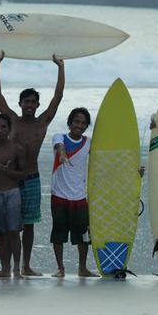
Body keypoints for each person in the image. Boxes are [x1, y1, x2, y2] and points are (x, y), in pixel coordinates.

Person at [0, 51, 65, 276]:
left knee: (29, 224)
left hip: (32, 178)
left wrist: (60, 67)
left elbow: (58, 97)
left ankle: (25, 265)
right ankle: (6, 267)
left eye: (33, 102)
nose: (30, 105)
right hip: (10, 179)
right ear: (20, 103)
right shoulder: (12, 121)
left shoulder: (43, 121)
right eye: (26, 102)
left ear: (37, 105)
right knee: (8, 226)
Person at [50, 108, 98, 278]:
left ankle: (82, 268)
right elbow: (60, 146)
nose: (79, 125)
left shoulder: (89, 143)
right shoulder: (59, 136)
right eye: (76, 121)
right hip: (59, 195)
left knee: (83, 236)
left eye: (83, 123)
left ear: (86, 126)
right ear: (70, 123)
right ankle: (60, 269)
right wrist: (62, 155)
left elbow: (107, 155)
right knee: (58, 234)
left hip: (79, 196)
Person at [0, 114, 26, 278]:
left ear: (9, 129)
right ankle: (4, 268)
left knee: (13, 232)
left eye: (3, 127)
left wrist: (8, 172)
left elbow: (24, 174)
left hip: (12, 193)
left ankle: (16, 268)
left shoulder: (17, 149)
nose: (0, 130)